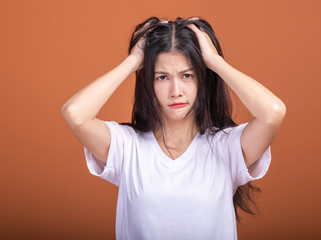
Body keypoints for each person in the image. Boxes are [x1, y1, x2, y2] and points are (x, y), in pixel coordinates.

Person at [61, 16, 286, 240]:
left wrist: (215, 62)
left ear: (203, 79)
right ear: (148, 83)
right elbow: (75, 114)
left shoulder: (226, 146)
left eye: (187, 75)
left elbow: (273, 112)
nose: (175, 90)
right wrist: (134, 61)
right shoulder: (127, 146)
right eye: (162, 77)